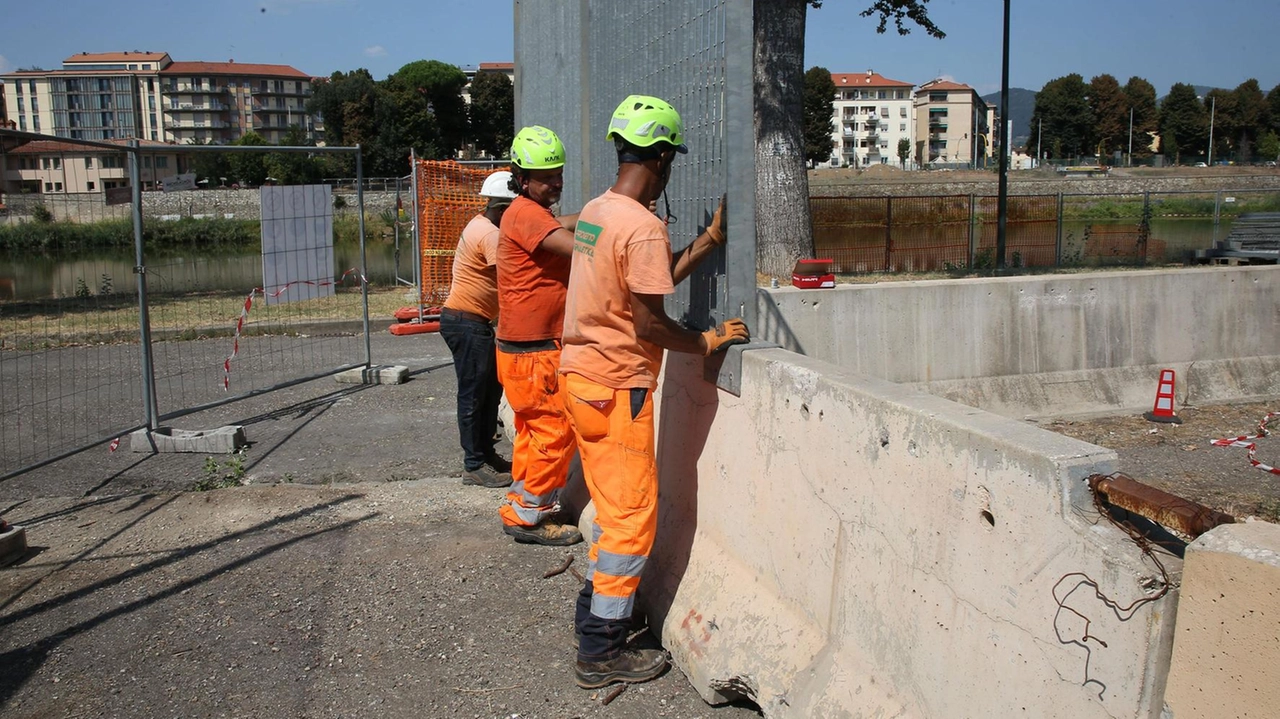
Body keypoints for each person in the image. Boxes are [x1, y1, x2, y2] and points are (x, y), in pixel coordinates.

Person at [559, 95, 750, 688]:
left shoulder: (597, 211)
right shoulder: (641, 226)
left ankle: (597, 613)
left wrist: (706, 242)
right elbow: (647, 322)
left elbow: (643, 277)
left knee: (615, 510)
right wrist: (706, 341)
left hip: (581, 378)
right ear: (663, 157)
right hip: (618, 388)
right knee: (630, 522)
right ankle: (600, 648)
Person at [494, 125, 583, 546]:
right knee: (556, 431)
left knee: (533, 431)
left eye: (559, 173)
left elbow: (565, 222)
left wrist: (605, 212)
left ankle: (519, 504)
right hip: (534, 352)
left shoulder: (526, 211)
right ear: (522, 178)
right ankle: (531, 516)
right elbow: (580, 245)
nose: (557, 182)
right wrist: (622, 227)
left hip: (520, 350)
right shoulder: (529, 214)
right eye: (547, 177)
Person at [440, 171, 517, 489]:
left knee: (488, 393)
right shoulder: (489, 234)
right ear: (502, 209)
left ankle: (486, 456)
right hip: (467, 323)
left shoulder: (480, 224)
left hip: (472, 322)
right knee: (474, 395)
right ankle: (474, 464)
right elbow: (514, 278)